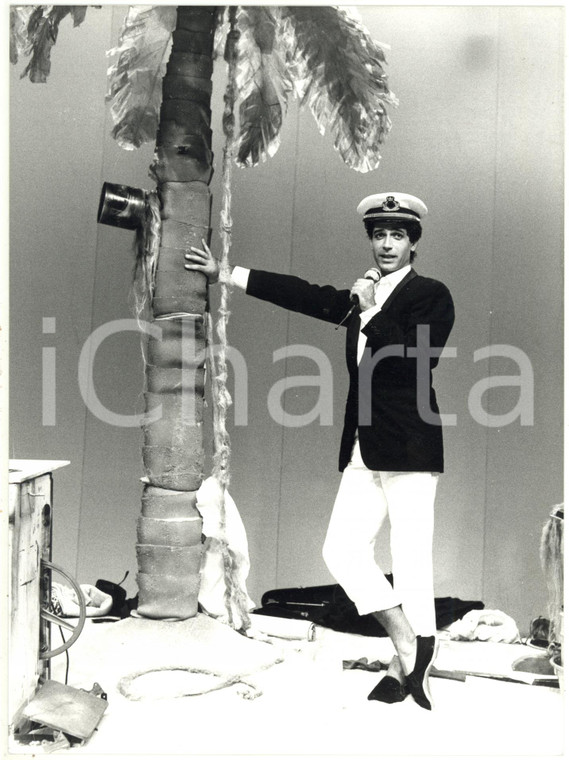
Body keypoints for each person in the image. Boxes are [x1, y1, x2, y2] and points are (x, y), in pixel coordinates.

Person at [185, 192, 455, 710]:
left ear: (413, 243)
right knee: (342, 550)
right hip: (364, 444)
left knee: (410, 555)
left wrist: (373, 309)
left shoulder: (430, 294)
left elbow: (418, 360)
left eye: (397, 235)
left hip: (412, 442)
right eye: (379, 235)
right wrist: (227, 273)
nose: (386, 244)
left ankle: (410, 663)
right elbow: (304, 295)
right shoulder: (362, 295)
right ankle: (411, 639)